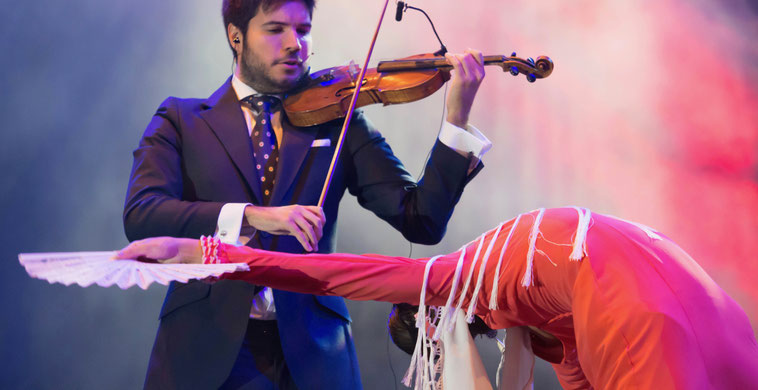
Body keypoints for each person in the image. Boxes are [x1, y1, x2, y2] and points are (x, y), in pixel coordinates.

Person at [123, 0, 490, 389]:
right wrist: (253, 215)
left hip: (315, 355)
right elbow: (143, 214)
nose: (295, 44)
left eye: (304, 29)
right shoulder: (182, 119)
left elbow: (421, 220)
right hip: (205, 349)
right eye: (276, 29)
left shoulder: (340, 119)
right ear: (235, 36)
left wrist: (456, 120)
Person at [118, 207, 758, 389]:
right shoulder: (533, 315)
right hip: (693, 290)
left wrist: (210, 255)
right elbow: (562, 370)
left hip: (632, 303)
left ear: (429, 317)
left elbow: (337, 275)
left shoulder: (461, 274)